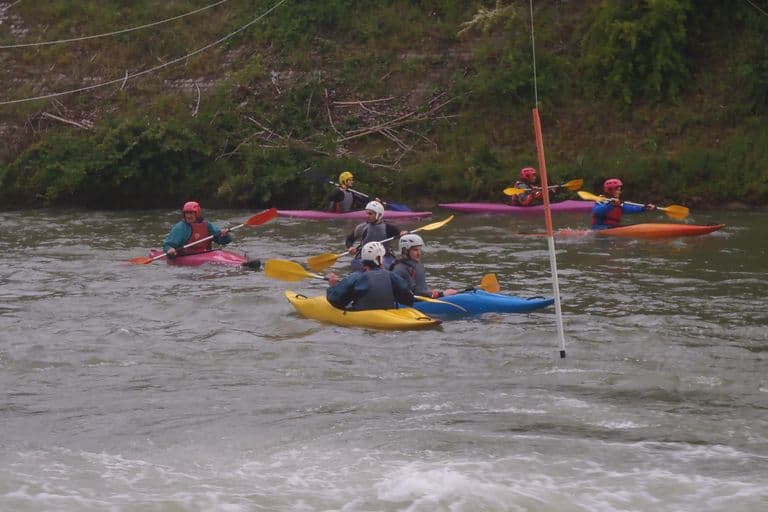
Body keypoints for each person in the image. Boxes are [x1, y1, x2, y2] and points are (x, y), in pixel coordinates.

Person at [326, 241, 415, 310]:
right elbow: (408, 299)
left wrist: (333, 286)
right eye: (383, 257)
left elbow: (335, 300)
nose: (384, 260)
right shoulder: (391, 276)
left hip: (364, 316)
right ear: (378, 259)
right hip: (388, 314)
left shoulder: (355, 277)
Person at [390, 234, 458, 299]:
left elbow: (421, 289)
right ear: (405, 251)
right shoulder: (400, 270)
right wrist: (441, 294)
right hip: (413, 303)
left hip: (422, 299)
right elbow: (413, 294)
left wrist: (433, 293)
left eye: (420, 249)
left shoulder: (416, 265)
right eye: (415, 250)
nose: (419, 253)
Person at [344, 200, 405, 269]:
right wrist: (350, 247)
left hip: (385, 256)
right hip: (365, 256)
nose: (367, 216)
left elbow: (401, 235)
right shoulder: (361, 227)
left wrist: (403, 234)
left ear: (379, 215)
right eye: (366, 213)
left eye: (370, 214)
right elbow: (349, 240)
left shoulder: (389, 227)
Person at [162, 201, 232, 257]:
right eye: (186, 213)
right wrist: (170, 249)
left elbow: (223, 241)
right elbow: (167, 245)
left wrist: (224, 235)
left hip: (206, 255)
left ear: (197, 213)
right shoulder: (180, 228)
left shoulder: (207, 225)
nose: (188, 216)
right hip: (186, 256)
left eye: (191, 213)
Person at [591, 178, 656, 230]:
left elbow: (631, 208)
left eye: (619, 190)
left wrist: (644, 208)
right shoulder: (601, 201)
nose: (619, 192)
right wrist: (610, 205)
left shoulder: (618, 203)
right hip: (600, 228)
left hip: (613, 228)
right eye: (617, 190)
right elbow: (597, 211)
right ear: (610, 190)